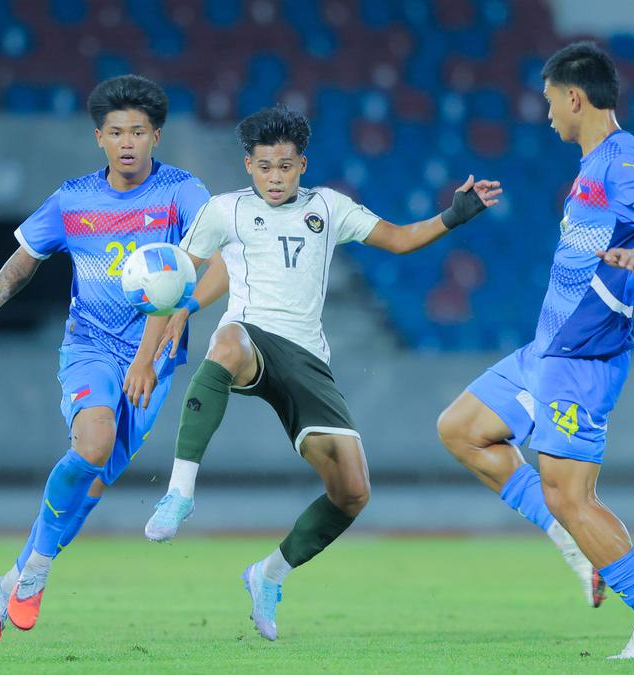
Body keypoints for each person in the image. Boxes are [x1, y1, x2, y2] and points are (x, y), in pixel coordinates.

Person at [134, 105, 501, 640]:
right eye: (264, 167)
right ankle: (180, 492)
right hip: (252, 337)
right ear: (248, 166)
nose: (275, 178)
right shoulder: (224, 211)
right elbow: (172, 284)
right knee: (227, 341)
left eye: (284, 166)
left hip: (307, 358)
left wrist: (453, 216)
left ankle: (268, 574)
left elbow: (397, 239)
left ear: (302, 164)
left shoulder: (328, 208)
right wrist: (147, 355)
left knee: (352, 492)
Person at [435, 42, 634, 659]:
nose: (547, 112)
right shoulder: (593, 165)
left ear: (574, 97)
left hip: (582, 359)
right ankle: (573, 539)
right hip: (546, 350)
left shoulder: (620, 158)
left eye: (550, 100)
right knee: (463, 429)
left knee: (571, 494)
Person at [0, 74, 216, 645]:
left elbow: (212, 253)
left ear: (157, 135)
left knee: (93, 483)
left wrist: (176, 321)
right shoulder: (73, 199)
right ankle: (36, 574)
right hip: (91, 348)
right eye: (114, 132)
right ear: (98, 138)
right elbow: (26, 258)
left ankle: (11, 581)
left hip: (154, 361)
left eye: (138, 131)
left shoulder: (182, 193)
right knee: (94, 444)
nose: (127, 142)